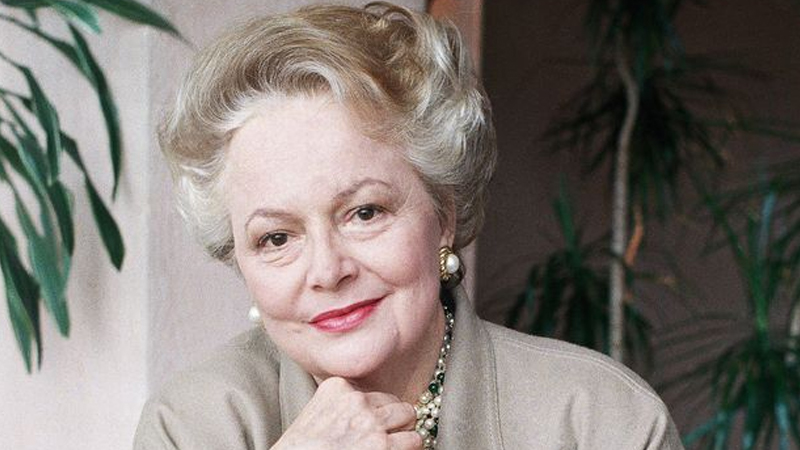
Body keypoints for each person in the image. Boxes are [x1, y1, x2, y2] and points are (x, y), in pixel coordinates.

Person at [134, 3, 684, 449]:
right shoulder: (192, 426)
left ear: (443, 215)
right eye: (276, 238)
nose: (327, 270)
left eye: (365, 212)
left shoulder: (597, 419)